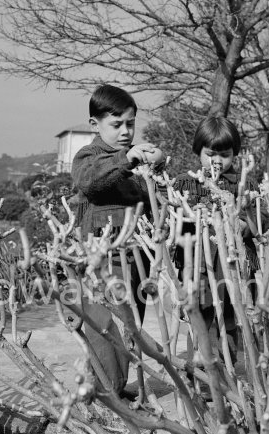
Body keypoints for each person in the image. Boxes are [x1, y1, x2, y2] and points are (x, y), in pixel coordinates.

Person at [71, 84, 163, 398]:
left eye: (130, 124)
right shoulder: (90, 156)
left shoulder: (134, 160)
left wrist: (157, 166)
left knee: (130, 325)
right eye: (117, 124)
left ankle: (119, 387)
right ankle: (107, 389)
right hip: (104, 261)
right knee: (104, 325)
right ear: (94, 125)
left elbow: (151, 201)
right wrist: (127, 160)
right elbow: (91, 182)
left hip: (137, 259)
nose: (125, 131)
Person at [173, 116, 261, 362]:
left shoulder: (243, 183)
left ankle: (227, 373)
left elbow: (259, 219)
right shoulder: (185, 183)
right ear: (198, 151)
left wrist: (244, 225)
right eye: (211, 154)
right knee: (201, 317)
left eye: (225, 154)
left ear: (235, 153)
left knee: (231, 318)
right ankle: (203, 375)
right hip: (198, 265)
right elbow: (172, 218)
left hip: (233, 268)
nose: (217, 161)